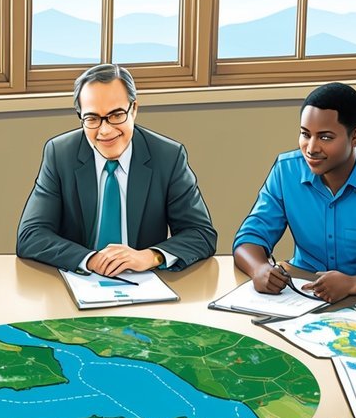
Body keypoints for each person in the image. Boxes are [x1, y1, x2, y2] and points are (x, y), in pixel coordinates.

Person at [233, 82, 356, 303]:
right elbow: (250, 237)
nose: (311, 148)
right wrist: (259, 269)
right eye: (305, 134)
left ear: (355, 136)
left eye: (325, 137)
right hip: (303, 296)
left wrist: (352, 284)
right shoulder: (286, 170)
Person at [16, 63, 216, 276]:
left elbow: (201, 234)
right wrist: (91, 259)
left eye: (116, 115)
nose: (105, 130)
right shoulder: (59, 154)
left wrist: (149, 256)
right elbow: (31, 235)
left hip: (145, 283)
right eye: (92, 119)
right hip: (79, 281)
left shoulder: (168, 156)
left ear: (134, 109)